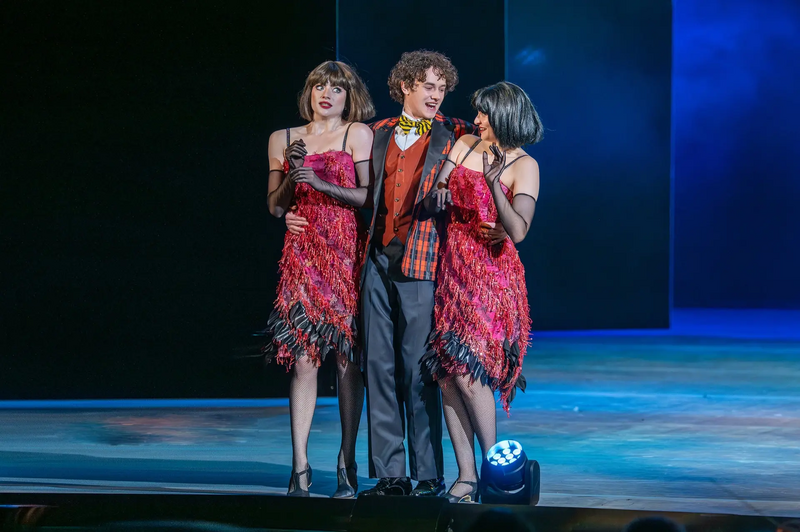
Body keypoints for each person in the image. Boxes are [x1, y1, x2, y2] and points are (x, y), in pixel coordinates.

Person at [288, 50, 474, 496]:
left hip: (423, 261)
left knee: (416, 369)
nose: (436, 95)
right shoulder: (376, 132)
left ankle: (428, 475)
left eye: (441, 88)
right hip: (374, 259)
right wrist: (295, 213)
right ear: (406, 86)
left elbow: (491, 165)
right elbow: (348, 185)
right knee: (377, 368)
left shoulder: (457, 133)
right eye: (428, 86)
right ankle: (391, 474)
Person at [421, 81, 542, 503]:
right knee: (447, 374)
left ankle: (494, 471)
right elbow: (437, 193)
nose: (475, 120)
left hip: (491, 278)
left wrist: (493, 185)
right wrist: (438, 193)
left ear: (504, 116)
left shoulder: (525, 164)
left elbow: (519, 230)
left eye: (483, 114)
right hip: (452, 270)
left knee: (470, 373)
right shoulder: (465, 145)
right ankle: (467, 475)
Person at [262, 60, 375, 498]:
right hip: (303, 256)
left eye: (336, 88)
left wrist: (321, 184)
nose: (326, 94)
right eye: (319, 86)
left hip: (344, 257)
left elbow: (367, 197)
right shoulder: (283, 137)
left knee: (347, 359)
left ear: (349, 96)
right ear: (308, 92)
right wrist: (294, 176)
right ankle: (300, 467)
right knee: (304, 360)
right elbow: (275, 206)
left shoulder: (356, 134)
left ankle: (347, 462)